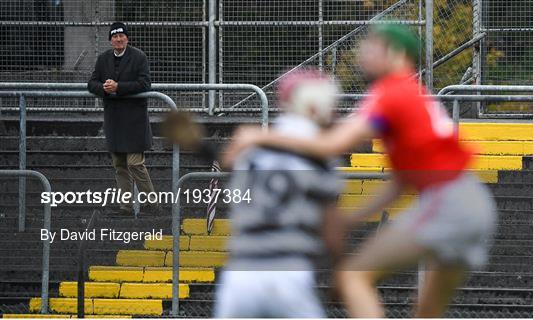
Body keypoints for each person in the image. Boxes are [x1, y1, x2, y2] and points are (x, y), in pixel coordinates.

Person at [223, 24, 497, 317]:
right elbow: (399, 184)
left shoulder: (389, 91)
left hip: (448, 203)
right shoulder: (409, 93)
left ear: (395, 54)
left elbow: (331, 144)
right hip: (473, 204)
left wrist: (260, 136)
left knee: (353, 276)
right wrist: (352, 218)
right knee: (427, 312)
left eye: (373, 46)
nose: (362, 51)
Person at [214, 70, 344, 318]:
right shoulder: (321, 155)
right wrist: (339, 268)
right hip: (289, 273)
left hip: (238, 278)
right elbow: (332, 231)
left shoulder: (249, 151)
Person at [88, 22, 158, 216]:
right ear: (110, 40)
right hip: (114, 120)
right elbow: (91, 83)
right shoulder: (103, 59)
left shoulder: (139, 57)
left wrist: (119, 87)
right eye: (114, 37)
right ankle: (125, 207)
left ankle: (153, 204)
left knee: (135, 163)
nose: (118, 39)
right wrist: (104, 88)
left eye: (121, 36)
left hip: (134, 120)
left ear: (127, 38)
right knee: (119, 165)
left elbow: (145, 84)